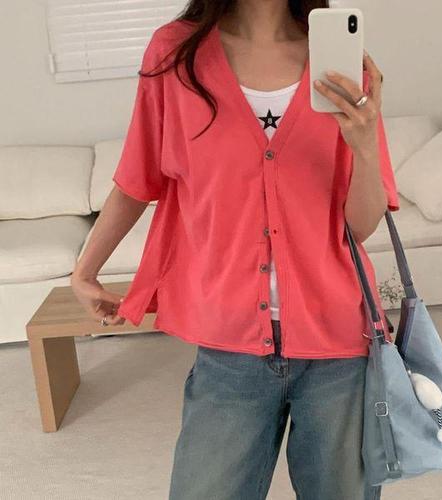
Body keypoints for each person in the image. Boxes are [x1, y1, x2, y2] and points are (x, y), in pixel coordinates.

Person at [71, 1, 399, 498]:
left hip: (340, 342)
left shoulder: (339, 59)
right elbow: (139, 172)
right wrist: (85, 269)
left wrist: (365, 143)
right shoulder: (175, 52)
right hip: (228, 342)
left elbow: (360, 226)